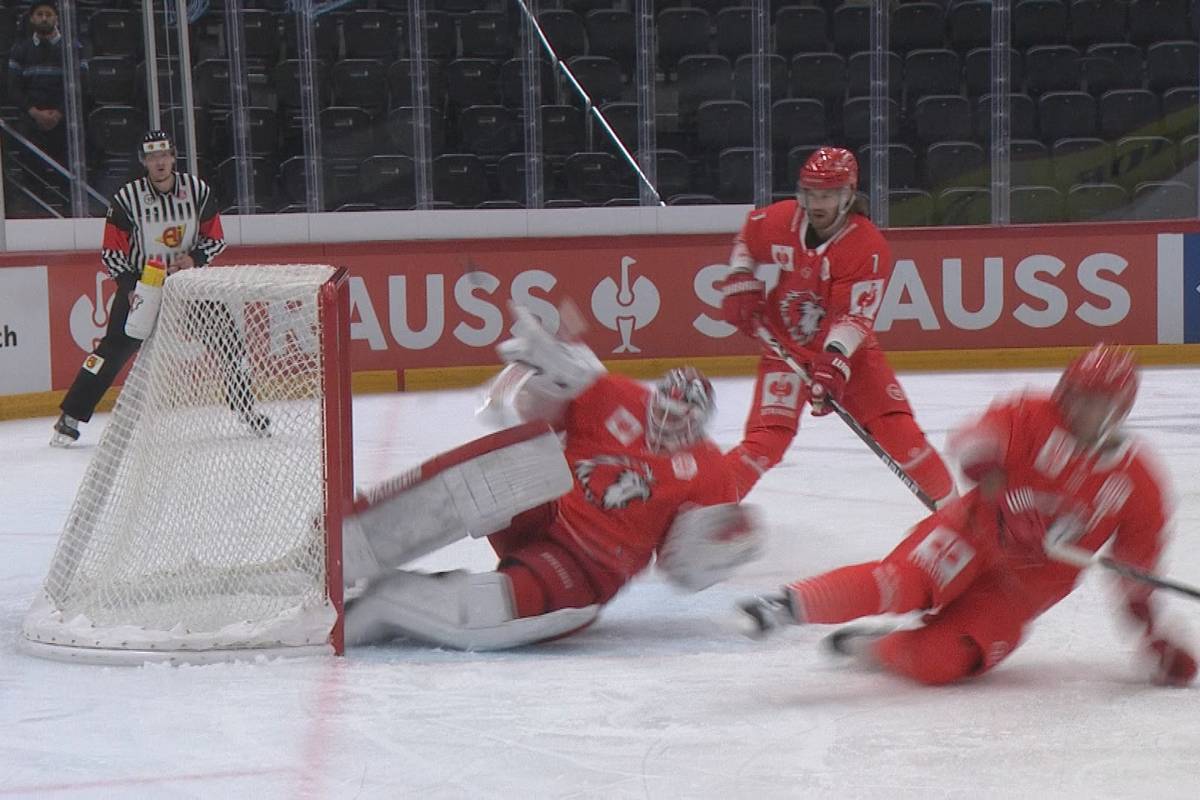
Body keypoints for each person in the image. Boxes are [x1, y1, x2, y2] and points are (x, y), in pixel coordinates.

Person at [739, 344, 1197, 688]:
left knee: (943, 662)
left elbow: (1135, 572)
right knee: (901, 582)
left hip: (1023, 591)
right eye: (1073, 392)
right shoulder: (1032, 413)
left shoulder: (1139, 483)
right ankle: (787, 605)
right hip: (974, 532)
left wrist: (1152, 637)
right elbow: (977, 446)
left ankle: (876, 648)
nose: (1075, 405)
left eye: (1092, 399)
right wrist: (1008, 504)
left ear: (1118, 410)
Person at [342, 307, 764, 651]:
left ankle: (381, 605)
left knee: (484, 608)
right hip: (544, 515)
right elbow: (533, 415)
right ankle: (359, 538)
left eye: (680, 422)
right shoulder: (615, 395)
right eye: (663, 413)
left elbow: (681, 570)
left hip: (587, 568)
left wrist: (714, 550)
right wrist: (544, 379)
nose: (666, 427)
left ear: (701, 425)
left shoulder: (710, 473)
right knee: (521, 462)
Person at [718, 146, 954, 504]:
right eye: (811, 193)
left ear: (847, 196)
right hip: (785, 349)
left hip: (852, 358)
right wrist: (739, 277)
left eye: (827, 194)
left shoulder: (867, 246)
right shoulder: (783, 221)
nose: (817, 203)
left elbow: (855, 317)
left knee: (904, 439)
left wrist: (834, 360)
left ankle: (958, 515)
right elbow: (747, 240)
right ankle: (704, 509)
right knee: (763, 443)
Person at [51, 130, 264, 446]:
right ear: (144, 162)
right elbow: (112, 251)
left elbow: (216, 238)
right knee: (111, 350)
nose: (159, 162)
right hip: (144, 285)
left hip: (189, 284)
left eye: (164, 155)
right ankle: (70, 417)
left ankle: (246, 409)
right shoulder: (127, 198)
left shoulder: (197, 191)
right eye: (152, 157)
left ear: (173, 157)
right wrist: (128, 285)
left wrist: (194, 258)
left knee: (229, 340)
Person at [6, 1, 67, 164]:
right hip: (31, 123)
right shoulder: (20, 50)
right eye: (39, 14)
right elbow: (13, 89)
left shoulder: (71, 49)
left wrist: (58, 114)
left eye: (48, 14)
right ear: (32, 19)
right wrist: (35, 113)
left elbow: (80, 87)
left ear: (57, 19)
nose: (44, 18)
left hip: (64, 123)